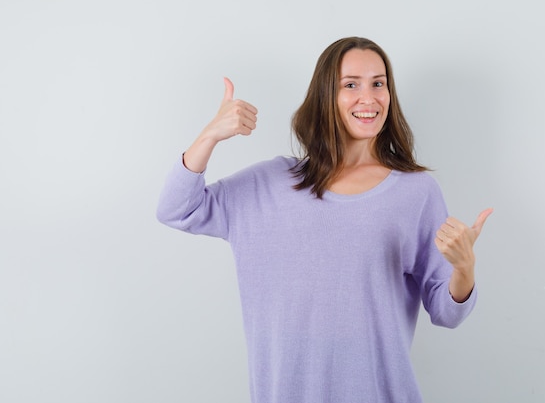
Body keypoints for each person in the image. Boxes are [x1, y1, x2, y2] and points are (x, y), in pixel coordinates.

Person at [157, 36, 492, 403]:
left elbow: (447, 313)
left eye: (378, 84)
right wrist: (210, 135)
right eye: (351, 85)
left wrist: (464, 269)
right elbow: (177, 208)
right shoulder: (268, 185)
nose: (369, 98)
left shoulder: (416, 192)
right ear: (324, 97)